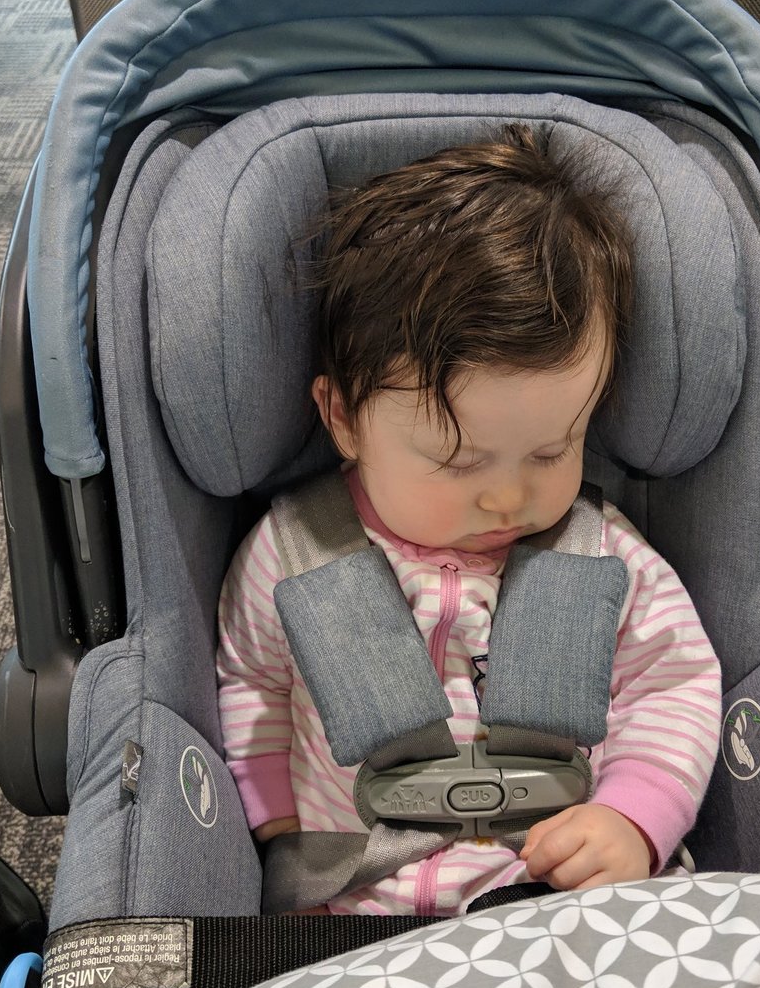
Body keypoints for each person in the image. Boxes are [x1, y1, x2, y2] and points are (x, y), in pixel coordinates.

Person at [217, 125, 721, 915]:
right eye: (460, 462)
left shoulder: (603, 557)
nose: (507, 497)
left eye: (553, 451)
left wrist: (634, 815)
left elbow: (675, 685)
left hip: (551, 908)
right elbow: (253, 682)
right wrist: (279, 829)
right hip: (350, 917)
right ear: (343, 417)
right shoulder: (292, 556)